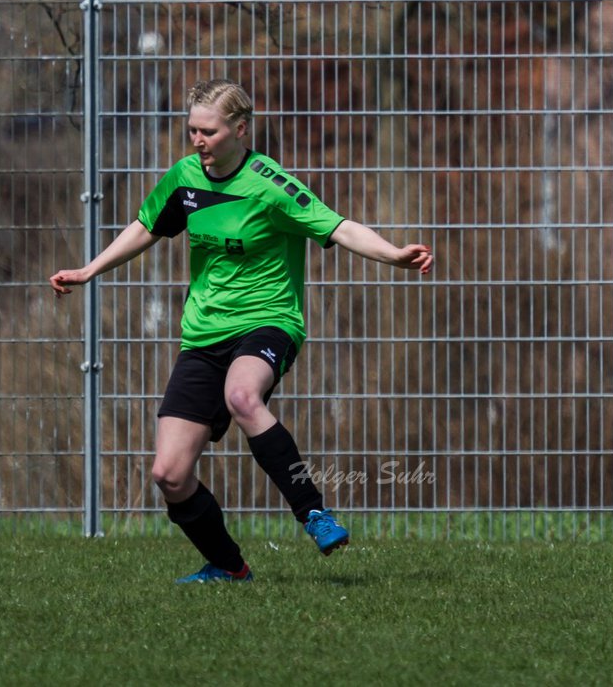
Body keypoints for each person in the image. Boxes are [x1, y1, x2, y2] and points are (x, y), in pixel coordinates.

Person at [49, 78, 434, 582]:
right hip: (203, 334)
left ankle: (313, 512)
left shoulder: (270, 184)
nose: (198, 141)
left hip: (268, 322)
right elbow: (146, 226)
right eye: (192, 130)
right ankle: (229, 567)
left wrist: (394, 255)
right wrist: (88, 270)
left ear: (239, 129)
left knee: (243, 396)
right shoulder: (185, 179)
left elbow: (337, 226)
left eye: (208, 131)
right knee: (169, 474)